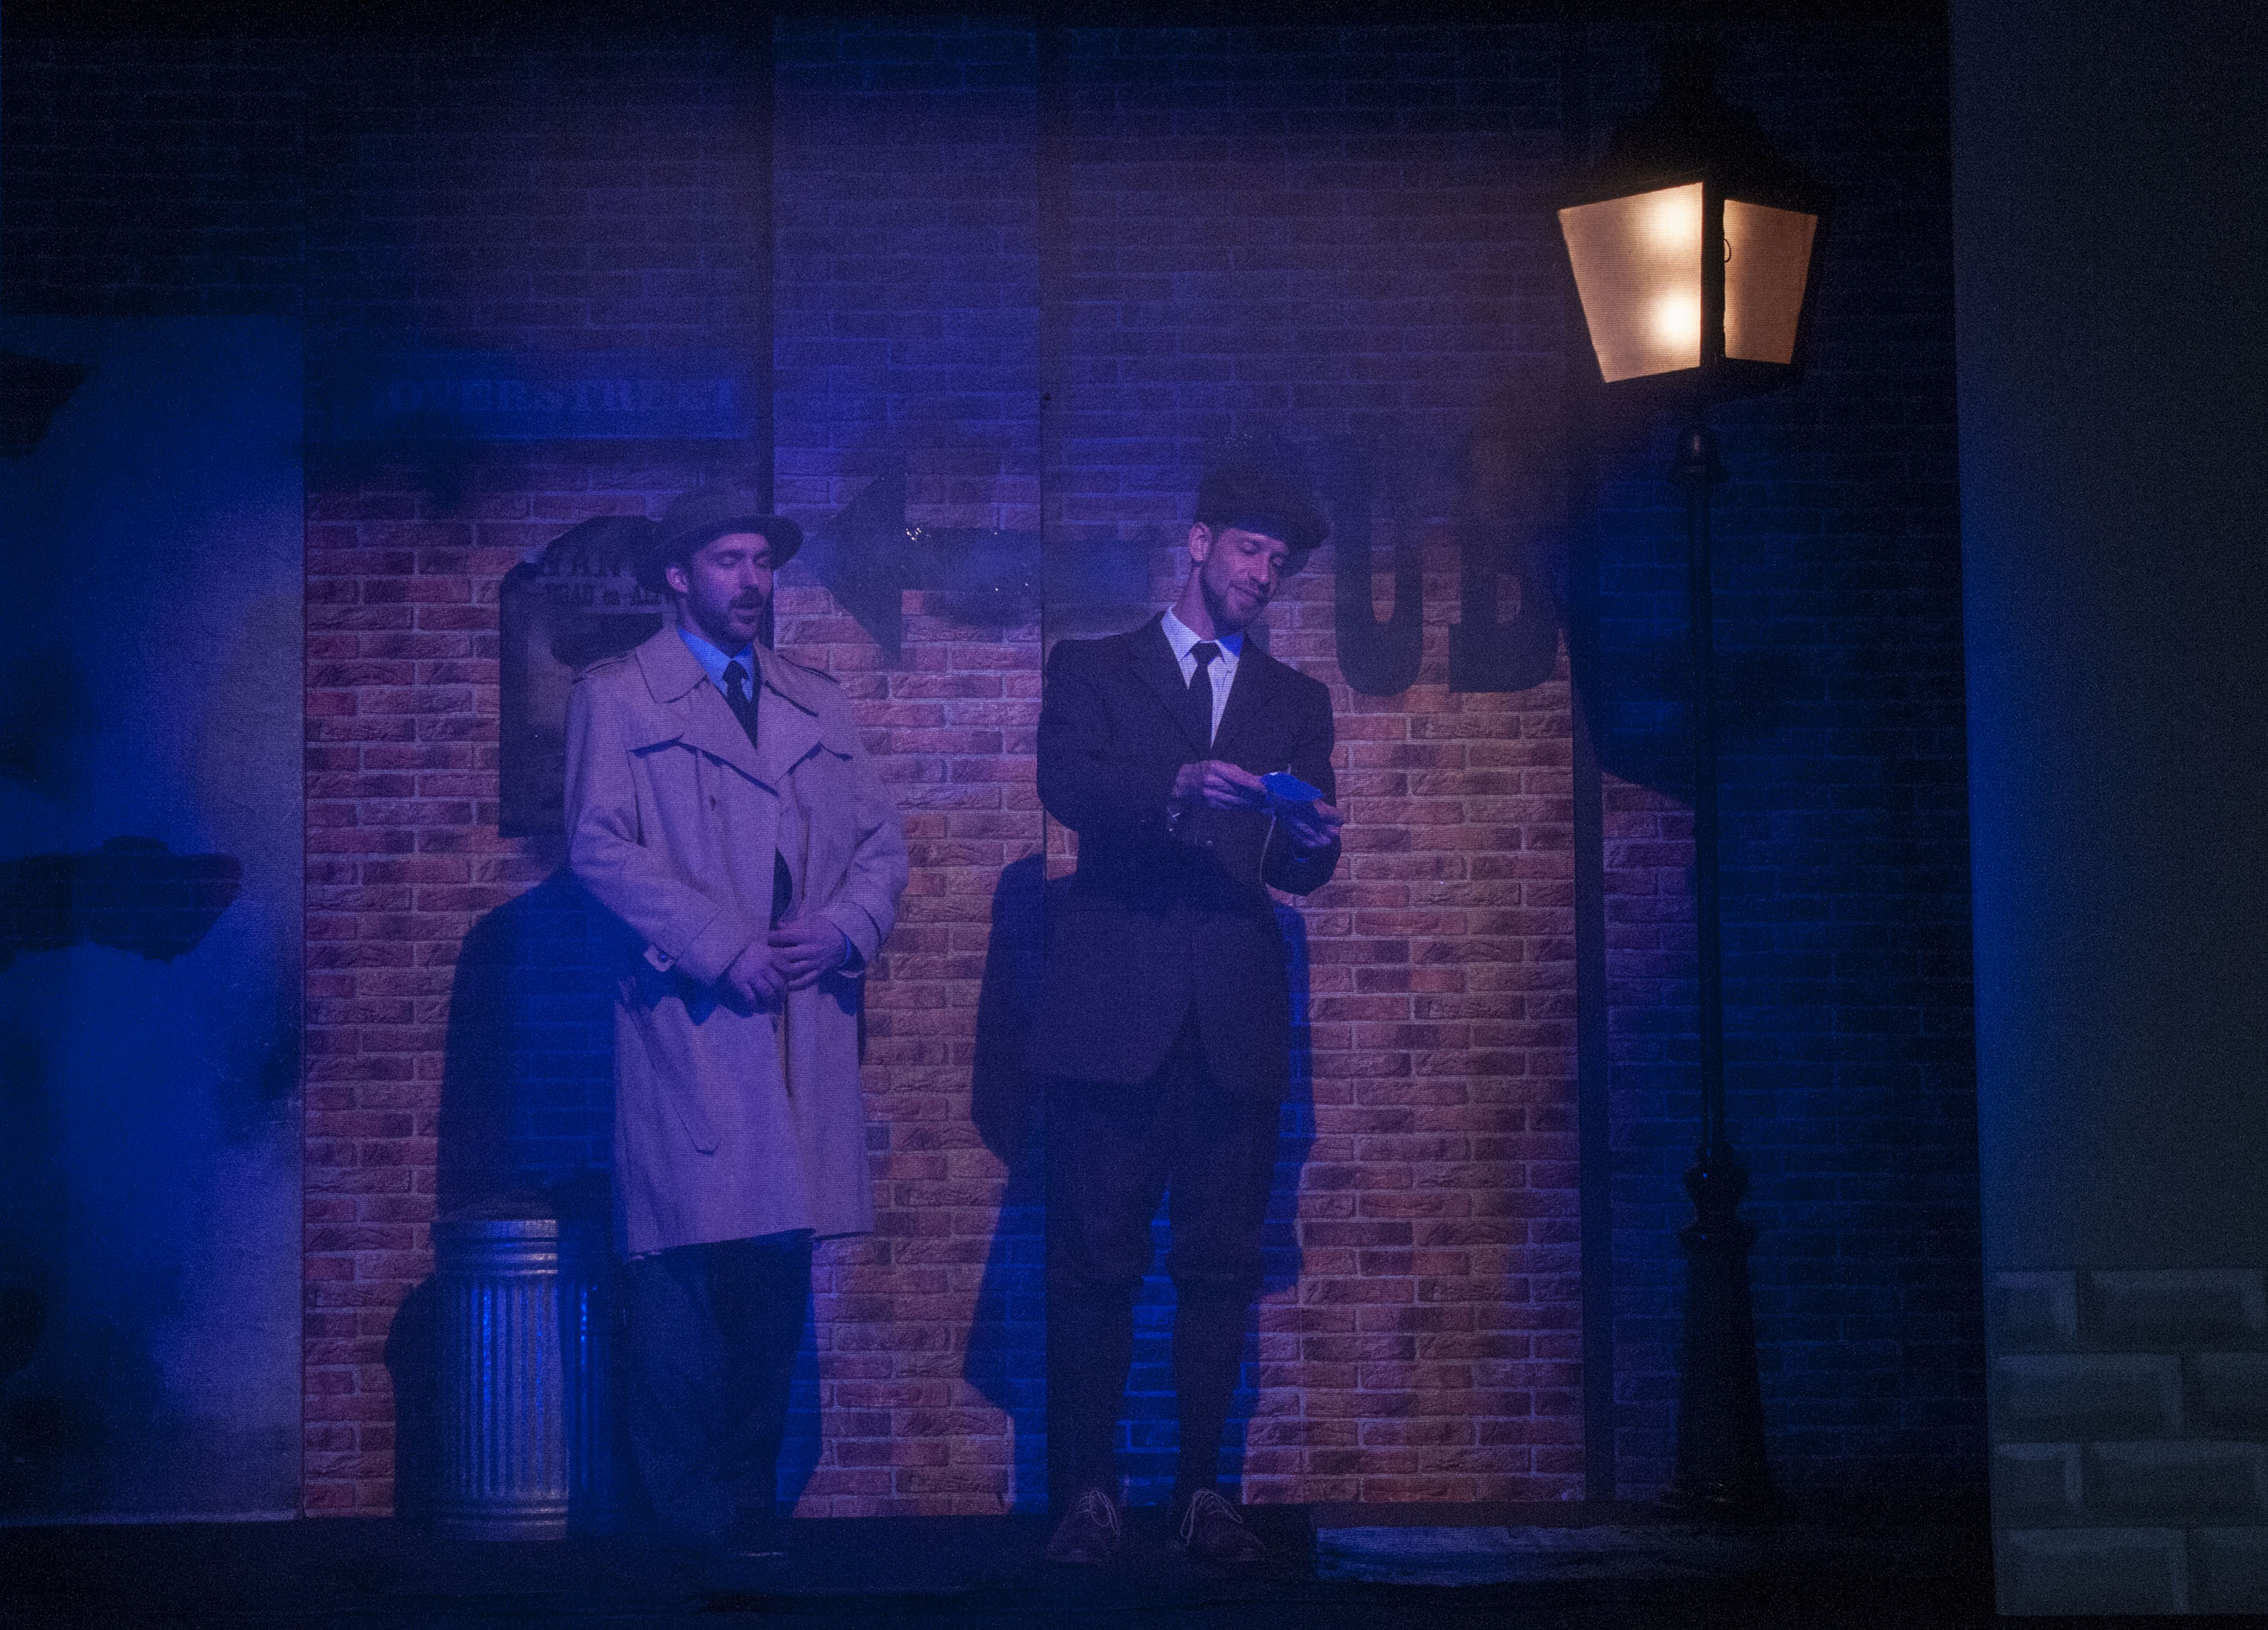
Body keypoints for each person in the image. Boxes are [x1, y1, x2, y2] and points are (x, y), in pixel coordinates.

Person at [565, 484, 906, 1556]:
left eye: (763, 561)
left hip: (800, 1029)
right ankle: (685, 1529)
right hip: (691, 1025)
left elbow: (881, 847)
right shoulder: (618, 694)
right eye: (729, 560)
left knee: (772, 1281)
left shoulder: (816, 700)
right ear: (678, 575)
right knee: (678, 1284)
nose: (753, 580)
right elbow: (598, 848)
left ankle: (751, 1509)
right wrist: (723, 945)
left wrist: (841, 929)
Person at [1028, 457, 1345, 1566]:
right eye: (1251, 549)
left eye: (1280, 562)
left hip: (1232, 1023)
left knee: (1219, 1266)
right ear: (1201, 543)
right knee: (1094, 1264)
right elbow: (1067, 785)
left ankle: (1206, 1493)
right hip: (1113, 1016)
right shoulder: (1095, 666)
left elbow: (1299, 870)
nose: (1264, 573)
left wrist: (1311, 841)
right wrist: (1178, 783)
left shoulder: (1295, 701)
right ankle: (1088, 1495)